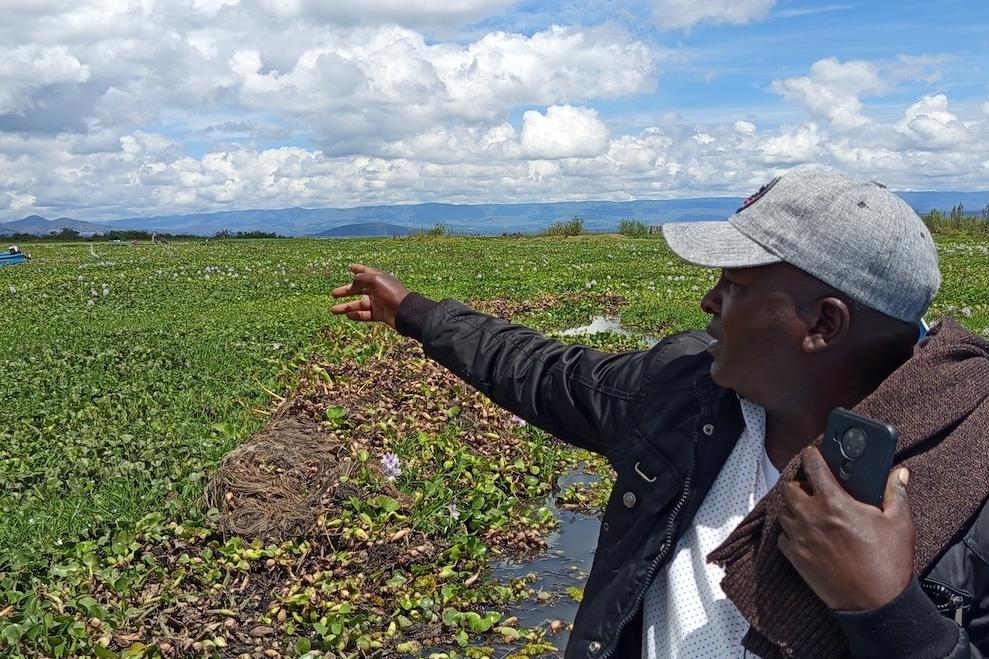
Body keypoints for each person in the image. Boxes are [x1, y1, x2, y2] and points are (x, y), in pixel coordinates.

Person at [331, 168, 989, 658]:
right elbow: (543, 371)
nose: (708, 300)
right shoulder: (687, 390)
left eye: (734, 286)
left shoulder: (972, 482)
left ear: (821, 323)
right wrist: (414, 313)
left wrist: (884, 611)